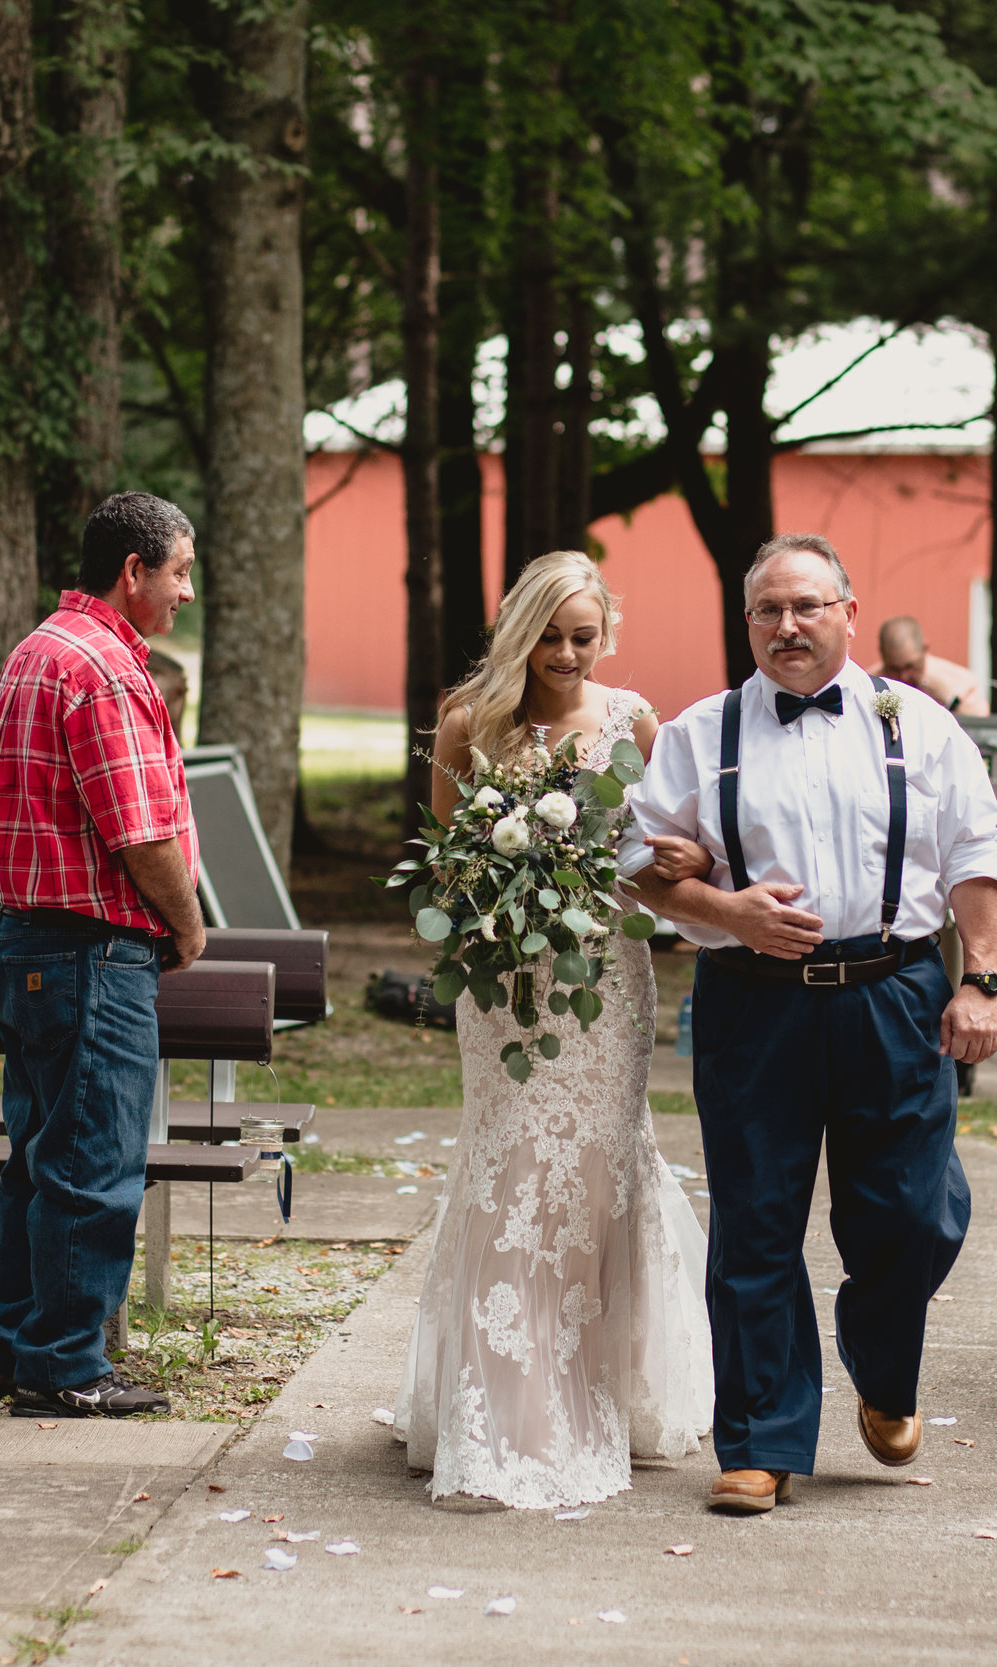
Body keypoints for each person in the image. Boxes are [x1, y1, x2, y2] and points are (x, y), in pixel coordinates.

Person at [625, 534, 997, 1515]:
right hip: (753, 1003)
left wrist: (980, 981)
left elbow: (976, 853)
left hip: (893, 993)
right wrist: (729, 911)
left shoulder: (917, 724)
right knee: (755, 1225)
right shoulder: (699, 734)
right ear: (746, 621)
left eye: (805, 606)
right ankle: (759, 1439)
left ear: (848, 610)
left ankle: (884, 1370)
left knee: (910, 1216)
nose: (786, 626)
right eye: (767, 610)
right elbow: (638, 867)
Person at [394, 551, 715, 1510]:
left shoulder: (635, 724)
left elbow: (671, 856)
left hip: (603, 980)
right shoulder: (467, 724)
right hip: (503, 989)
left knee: (596, 1164)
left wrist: (671, 861)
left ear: (604, 631)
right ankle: (513, 1406)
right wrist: (501, 889)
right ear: (519, 630)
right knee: (513, 1162)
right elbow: (447, 866)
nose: (566, 654)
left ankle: (603, 1382)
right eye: (549, 635)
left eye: (583, 636)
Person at [0, 491, 206, 1418]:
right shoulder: (104, 669)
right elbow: (139, 834)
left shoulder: (41, 649)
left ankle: (16, 1348)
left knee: (38, 1157)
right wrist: (185, 924)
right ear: (133, 571)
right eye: (180, 570)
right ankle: (66, 1365)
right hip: (92, 948)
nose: (187, 590)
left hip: (30, 938)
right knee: (95, 1163)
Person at [875, 615, 985, 712]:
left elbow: (981, 719)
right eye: (894, 669)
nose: (904, 676)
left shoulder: (959, 680)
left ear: (925, 649)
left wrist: (950, 701)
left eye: (910, 666)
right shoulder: (871, 681)